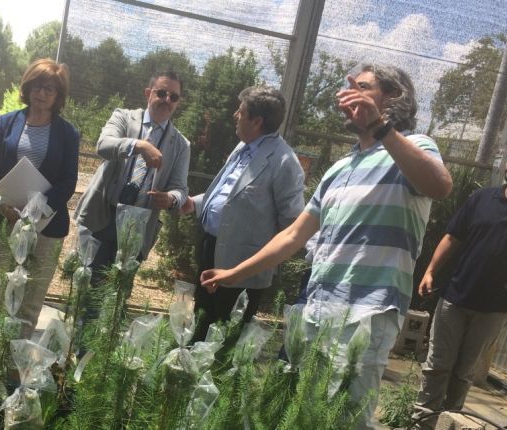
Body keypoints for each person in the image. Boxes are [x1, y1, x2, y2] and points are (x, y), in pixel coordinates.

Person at [200, 64, 452, 429]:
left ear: (393, 98)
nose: (350, 95)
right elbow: (293, 236)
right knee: (307, 413)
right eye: (350, 88)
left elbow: (440, 186)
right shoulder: (340, 168)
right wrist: (234, 273)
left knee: (345, 419)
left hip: (368, 311)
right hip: (318, 307)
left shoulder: (413, 147)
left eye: (363, 87)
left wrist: (382, 127)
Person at [180, 86, 305, 341]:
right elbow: (229, 195)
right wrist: (195, 203)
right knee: (200, 327)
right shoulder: (243, 147)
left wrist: (258, 256)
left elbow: (292, 224)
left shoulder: (284, 163)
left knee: (224, 339)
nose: (235, 114)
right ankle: (187, 377)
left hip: (242, 268)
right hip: (211, 251)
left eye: (241, 111)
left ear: (257, 121)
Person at [0, 58, 79, 339]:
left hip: (45, 228)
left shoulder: (68, 133)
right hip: (3, 219)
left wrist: (36, 211)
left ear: (58, 95)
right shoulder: (6, 122)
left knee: (29, 303)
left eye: (50, 89)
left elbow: (68, 181)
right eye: (38, 85)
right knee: (1, 298)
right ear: (28, 86)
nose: (43, 93)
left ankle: (15, 368)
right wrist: (3, 203)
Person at [74, 70, 190, 292]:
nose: (167, 100)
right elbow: (104, 145)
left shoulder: (182, 144)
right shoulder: (124, 117)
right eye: (162, 93)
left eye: (173, 97)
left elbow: (180, 188)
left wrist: (172, 199)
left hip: (138, 227)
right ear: (148, 93)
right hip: (102, 216)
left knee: (116, 299)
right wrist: (139, 146)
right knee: (86, 290)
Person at [412, 181, 507, 426]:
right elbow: (453, 236)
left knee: (464, 373)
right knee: (437, 366)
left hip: (494, 309)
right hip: (455, 298)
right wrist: (430, 270)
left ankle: (450, 422)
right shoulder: (482, 199)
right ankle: (421, 423)